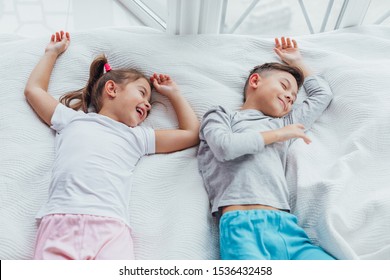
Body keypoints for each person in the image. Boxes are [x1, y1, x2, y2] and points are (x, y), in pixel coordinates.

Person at [24, 31, 200, 260]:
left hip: (111, 228)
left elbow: (191, 133)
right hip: (61, 221)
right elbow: (34, 91)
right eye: (142, 93)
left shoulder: (137, 137)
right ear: (111, 89)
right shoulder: (72, 120)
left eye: (149, 105)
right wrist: (51, 53)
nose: (147, 105)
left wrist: (175, 94)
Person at [197, 37, 335, 260]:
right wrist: (279, 135)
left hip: (288, 229)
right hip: (243, 227)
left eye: (293, 98)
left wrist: (297, 61)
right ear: (255, 81)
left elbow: (323, 95)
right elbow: (224, 147)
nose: (290, 97)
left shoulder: (284, 123)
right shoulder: (222, 115)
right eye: (284, 86)